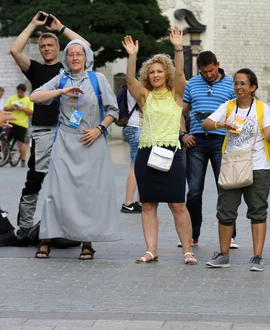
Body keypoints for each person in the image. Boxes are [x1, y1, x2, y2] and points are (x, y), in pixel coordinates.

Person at [29, 39, 120, 260]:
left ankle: (87, 242)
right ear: (66, 58)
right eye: (71, 54)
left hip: (91, 140)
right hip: (65, 140)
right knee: (55, 191)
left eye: (79, 54)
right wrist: (60, 92)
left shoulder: (97, 79)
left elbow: (113, 110)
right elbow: (34, 96)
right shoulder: (61, 78)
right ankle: (47, 239)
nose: (75, 58)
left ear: (86, 57)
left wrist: (99, 129)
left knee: (87, 194)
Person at [10, 11, 89, 240]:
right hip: (43, 132)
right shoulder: (36, 69)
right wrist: (33, 25)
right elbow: (15, 50)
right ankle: (25, 228)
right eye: (42, 46)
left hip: (69, 131)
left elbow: (85, 46)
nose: (46, 48)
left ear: (58, 48)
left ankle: (70, 228)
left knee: (69, 180)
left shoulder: (69, 67)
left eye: (50, 45)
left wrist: (61, 28)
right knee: (35, 177)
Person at [122, 27, 196, 265]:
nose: (155, 75)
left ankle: (187, 250)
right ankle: (151, 250)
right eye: (151, 72)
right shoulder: (144, 96)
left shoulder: (176, 93)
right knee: (148, 204)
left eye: (159, 71)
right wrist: (132, 55)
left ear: (167, 74)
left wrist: (178, 47)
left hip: (172, 154)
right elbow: (129, 79)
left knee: (178, 204)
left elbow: (182, 74)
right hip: (147, 153)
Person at [202, 69, 270, 271]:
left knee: (257, 211)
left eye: (243, 83)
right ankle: (223, 255)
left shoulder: (261, 108)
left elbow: (268, 136)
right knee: (225, 211)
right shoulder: (228, 106)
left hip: (257, 166)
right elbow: (205, 124)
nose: (238, 87)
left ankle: (257, 257)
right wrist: (220, 123)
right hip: (232, 165)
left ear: (253, 87)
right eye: (236, 83)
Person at [180, 50, 236, 247]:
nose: (208, 75)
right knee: (194, 191)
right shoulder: (193, 83)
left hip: (221, 141)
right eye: (204, 72)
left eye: (211, 71)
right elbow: (182, 111)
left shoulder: (231, 84)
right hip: (196, 141)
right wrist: (183, 134)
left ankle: (231, 235)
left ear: (217, 65)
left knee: (225, 188)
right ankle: (192, 235)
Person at [121, 57, 144, 214]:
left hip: (133, 127)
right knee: (135, 166)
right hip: (137, 127)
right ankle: (128, 202)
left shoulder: (133, 84)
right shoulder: (137, 85)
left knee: (141, 167)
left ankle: (139, 201)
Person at [4, 84, 34, 167]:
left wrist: (22, 109)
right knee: (6, 141)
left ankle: (23, 160)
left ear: (24, 92)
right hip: (11, 122)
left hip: (22, 124)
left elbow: (31, 112)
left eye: (21, 92)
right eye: (18, 92)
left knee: (21, 143)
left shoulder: (28, 100)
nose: (19, 94)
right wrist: (12, 108)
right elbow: (5, 108)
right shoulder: (12, 98)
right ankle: (6, 157)